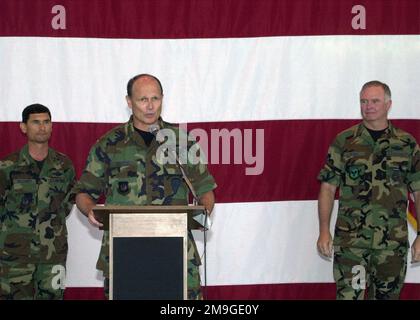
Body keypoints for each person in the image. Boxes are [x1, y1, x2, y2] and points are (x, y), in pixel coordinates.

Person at [73, 74, 217, 299]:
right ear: (129, 101)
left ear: (162, 99)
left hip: (175, 250)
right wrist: (90, 209)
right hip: (125, 253)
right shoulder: (109, 144)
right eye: (142, 100)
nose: (150, 106)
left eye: (155, 99)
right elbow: (84, 193)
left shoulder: (181, 141)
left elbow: (205, 191)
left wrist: (202, 213)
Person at [317, 81, 420, 300]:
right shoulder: (345, 141)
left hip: (391, 246)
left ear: (388, 104)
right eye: (364, 101)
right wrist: (324, 230)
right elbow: (327, 187)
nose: (368, 106)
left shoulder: (406, 144)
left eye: (375, 101)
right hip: (352, 245)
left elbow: (418, 191)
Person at [0, 104, 76, 300]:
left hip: (52, 253)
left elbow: (67, 203)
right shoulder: (7, 166)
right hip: (15, 255)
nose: (42, 127)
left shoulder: (64, 166)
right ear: (23, 127)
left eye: (46, 122)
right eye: (35, 122)